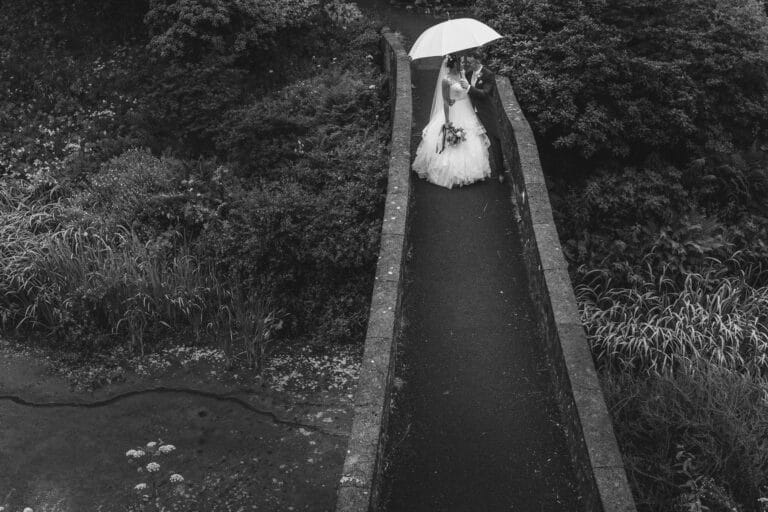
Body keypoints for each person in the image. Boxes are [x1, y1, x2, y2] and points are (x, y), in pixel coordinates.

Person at [412, 54, 491, 189]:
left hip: (466, 110)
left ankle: (472, 171)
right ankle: (450, 173)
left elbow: (468, 90)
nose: (462, 63)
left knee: (470, 138)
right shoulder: (446, 80)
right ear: (454, 64)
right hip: (453, 111)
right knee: (450, 139)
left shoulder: (462, 74)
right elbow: (445, 101)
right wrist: (447, 121)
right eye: (460, 62)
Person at [461, 50, 504, 183]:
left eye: (470, 62)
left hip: (486, 112)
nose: (469, 64)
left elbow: (485, 93)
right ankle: (473, 170)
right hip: (470, 113)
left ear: (478, 61)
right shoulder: (468, 74)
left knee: (495, 140)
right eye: (467, 62)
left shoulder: (488, 74)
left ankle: (501, 172)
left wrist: (468, 88)